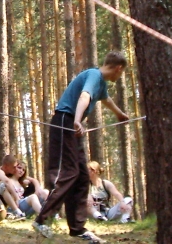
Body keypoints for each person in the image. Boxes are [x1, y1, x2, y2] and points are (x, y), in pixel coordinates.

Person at [32, 51, 129, 242]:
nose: (120, 76)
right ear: (118, 68)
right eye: (122, 72)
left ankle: (77, 228)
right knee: (68, 172)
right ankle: (42, 220)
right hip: (65, 121)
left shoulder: (101, 83)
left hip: (72, 125)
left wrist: (119, 114)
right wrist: (77, 120)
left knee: (82, 176)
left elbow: (106, 99)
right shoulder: (94, 75)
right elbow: (85, 96)